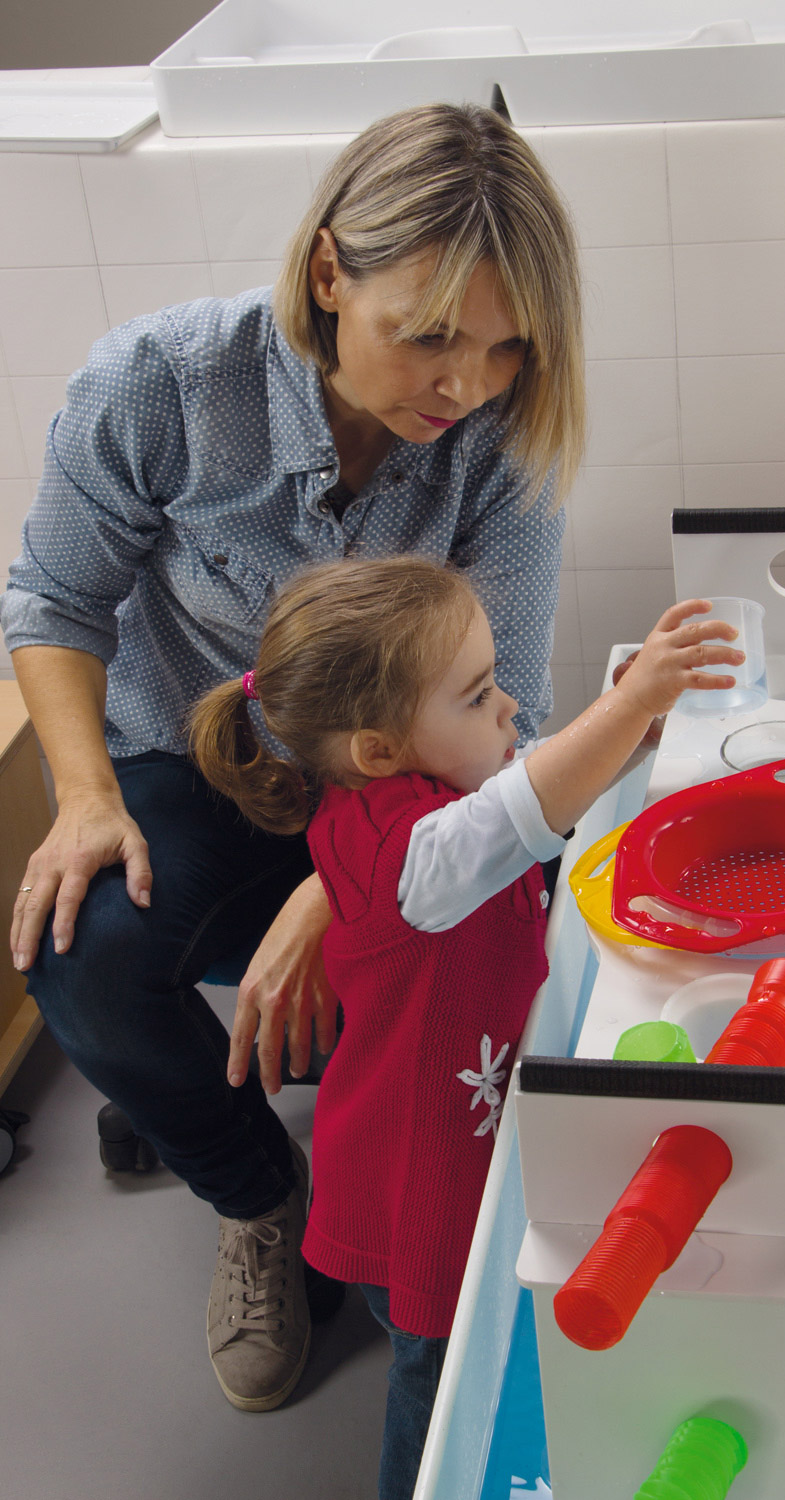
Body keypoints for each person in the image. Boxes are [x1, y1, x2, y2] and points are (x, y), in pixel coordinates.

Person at [0, 102, 586, 1412]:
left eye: (504, 347)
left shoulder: (504, 442)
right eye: (427, 333)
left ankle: (285, 1094)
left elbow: (520, 716)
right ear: (330, 273)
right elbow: (52, 602)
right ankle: (258, 1198)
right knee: (74, 955)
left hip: (404, 792)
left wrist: (348, 885)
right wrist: (84, 799)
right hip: (197, 758)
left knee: (451, 993)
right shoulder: (155, 383)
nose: (464, 385)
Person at [187, 555, 743, 1499]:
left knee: (474, 1332)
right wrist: (628, 705)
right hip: (424, 1173)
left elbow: (515, 782)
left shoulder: (414, 793)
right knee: (439, 1377)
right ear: (377, 750)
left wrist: (629, 727)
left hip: (458, 1125)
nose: (509, 706)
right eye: (479, 693)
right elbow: (516, 813)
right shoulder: (406, 855)